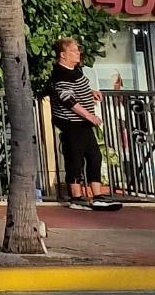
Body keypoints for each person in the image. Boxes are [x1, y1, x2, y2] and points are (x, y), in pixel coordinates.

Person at [47, 37, 119, 211]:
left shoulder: (76, 71)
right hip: (71, 123)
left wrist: (91, 92)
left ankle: (98, 195)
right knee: (75, 159)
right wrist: (89, 116)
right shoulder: (60, 74)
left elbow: (78, 89)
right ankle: (76, 197)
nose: (77, 53)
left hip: (83, 124)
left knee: (94, 156)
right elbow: (68, 100)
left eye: (77, 50)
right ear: (63, 55)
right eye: (73, 51)